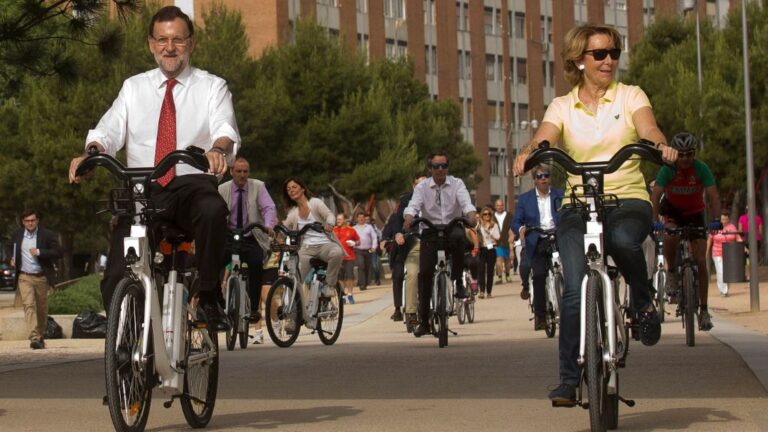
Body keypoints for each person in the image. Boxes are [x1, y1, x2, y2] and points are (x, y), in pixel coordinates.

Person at [512, 23, 677, 405]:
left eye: (614, 53)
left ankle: (641, 300)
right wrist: (531, 151)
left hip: (627, 198)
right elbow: (546, 135)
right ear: (579, 61)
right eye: (599, 54)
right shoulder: (562, 106)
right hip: (576, 204)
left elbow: (648, 126)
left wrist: (660, 144)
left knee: (621, 240)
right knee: (573, 287)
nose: (609, 61)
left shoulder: (629, 96)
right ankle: (569, 380)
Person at [68, 6, 238, 330]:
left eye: (177, 39)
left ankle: (208, 295)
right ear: (151, 44)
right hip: (143, 191)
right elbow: (108, 129)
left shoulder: (212, 86)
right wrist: (92, 153)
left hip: (191, 184)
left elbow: (225, 129)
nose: (169, 47)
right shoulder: (134, 88)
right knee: (118, 273)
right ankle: (129, 350)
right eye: (162, 40)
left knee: (213, 211)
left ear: (191, 43)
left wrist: (217, 149)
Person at [651, 132, 721, 331]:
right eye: (681, 155)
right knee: (670, 234)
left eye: (689, 154)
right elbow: (656, 197)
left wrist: (716, 220)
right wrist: (655, 221)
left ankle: (704, 310)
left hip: (695, 213)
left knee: (700, 259)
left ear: (694, 154)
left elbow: (713, 195)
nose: (684, 159)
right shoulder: (668, 169)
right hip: (673, 212)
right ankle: (672, 271)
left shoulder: (701, 169)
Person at [403, 151, 477, 338]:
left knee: (460, 238)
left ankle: (459, 281)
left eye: (444, 166)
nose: (441, 170)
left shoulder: (457, 183)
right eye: (436, 166)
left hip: (452, 227)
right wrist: (409, 218)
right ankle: (424, 321)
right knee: (425, 273)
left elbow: (465, 202)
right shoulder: (422, 188)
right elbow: (413, 206)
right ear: (430, 169)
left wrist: (471, 215)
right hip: (431, 229)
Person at [218, 156, 277, 328]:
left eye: (245, 171)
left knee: (255, 263)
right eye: (238, 171)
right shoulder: (222, 189)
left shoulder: (258, 186)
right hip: (229, 235)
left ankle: (253, 309)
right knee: (215, 262)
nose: (242, 175)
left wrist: (268, 225)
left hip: (251, 235)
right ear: (231, 172)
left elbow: (269, 207)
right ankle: (217, 302)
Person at [511, 164, 564, 330]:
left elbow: (570, 213)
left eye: (546, 176)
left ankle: (571, 312)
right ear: (534, 180)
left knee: (570, 272)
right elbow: (516, 221)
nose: (543, 179)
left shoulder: (561, 195)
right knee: (539, 275)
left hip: (558, 237)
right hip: (537, 239)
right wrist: (521, 230)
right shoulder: (525, 199)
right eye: (540, 176)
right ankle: (541, 315)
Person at [282, 177, 344, 305]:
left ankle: (329, 285)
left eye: (294, 187)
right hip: (306, 249)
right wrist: (276, 236)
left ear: (303, 189)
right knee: (294, 279)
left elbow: (330, 215)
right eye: (288, 189)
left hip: (325, 244)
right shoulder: (293, 212)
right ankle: (292, 312)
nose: (291, 191)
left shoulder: (315, 203)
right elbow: (284, 227)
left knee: (337, 253)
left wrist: (330, 224)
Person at [11, 210, 62, 350]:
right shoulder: (18, 234)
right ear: (23, 222)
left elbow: (58, 252)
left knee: (41, 309)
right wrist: (12, 259)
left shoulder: (47, 235)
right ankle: (34, 337)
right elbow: (13, 248)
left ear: (37, 220)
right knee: (29, 305)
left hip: (41, 277)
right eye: (27, 221)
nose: (30, 223)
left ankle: (40, 336)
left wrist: (40, 252)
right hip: (24, 276)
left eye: (33, 220)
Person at [707, 210, 741, 297]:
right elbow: (710, 240)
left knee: (727, 272)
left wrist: (743, 247)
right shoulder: (715, 227)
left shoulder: (732, 227)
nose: (724, 221)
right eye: (723, 219)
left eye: (726, 219)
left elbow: (737, 237)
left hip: (729, 253)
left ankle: (725, 288)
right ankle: (724, 290)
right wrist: (706, 252)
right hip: (717, 253)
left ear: (728, 219)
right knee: (720, 272)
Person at [334, 213, 360, 304]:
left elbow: (358, 241)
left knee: (349, 276)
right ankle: (342, 295)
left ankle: (350, 294)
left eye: (340, 219)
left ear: (345, 220)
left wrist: (354, 243)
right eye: (337, 219)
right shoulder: (334, 230)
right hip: (338, 258)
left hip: (349, 257)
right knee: (340, 277)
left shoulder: (351, 230)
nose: (338, 221)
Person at [476, 205, 500, 298]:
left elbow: (498, 237)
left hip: (491, 249)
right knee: (481, 270)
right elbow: (475, 233)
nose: (487, 216)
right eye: (485, 214)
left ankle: (489, 292)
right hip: (482, 248)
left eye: (489, 214)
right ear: (482, 215)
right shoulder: (479, 225)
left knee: (490, 271)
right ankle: (481, 291)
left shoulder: (494, 225)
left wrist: (489, 232)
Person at [353, 212, 377, 291]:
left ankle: (366, 282)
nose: (361, 219)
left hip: (368, 250)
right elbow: (350, 239)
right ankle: (362, 284)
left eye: (362, 217)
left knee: (367, 266)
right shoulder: (353, 228)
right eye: (359, 217)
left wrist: (374, 247)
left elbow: (374, 237)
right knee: (361, 265)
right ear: (357, 219)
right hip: (358, 250)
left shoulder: (369, 227)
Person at [738, 206, 763, 281]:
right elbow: (760, 231)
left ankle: (748, 275)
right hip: (756, 240)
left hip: (745, 241)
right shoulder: (758, 218)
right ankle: (754, 275)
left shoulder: (741, 218)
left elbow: (740, 230)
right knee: (754, 258)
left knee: (747, 259)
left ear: (745, 211)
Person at [492, 199, 514, 283]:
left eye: (501, 205)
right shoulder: (492, 216)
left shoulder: (509, 215)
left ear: (503, 206)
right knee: (498, 259)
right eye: (498, 205)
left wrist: (512, 237)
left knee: (507, 260)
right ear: (495, 206)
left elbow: (512, 226)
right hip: (497, 242)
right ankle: (499, 277)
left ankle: (507, 275)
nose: (499, 207)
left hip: (507, 240)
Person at [367, 214, 383, 285]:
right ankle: (371, 280)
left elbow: (380, 235)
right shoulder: (364, 227)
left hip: (375, 248)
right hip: (368, 248)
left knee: (375, 264)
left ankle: (377, 279)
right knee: (371, 265)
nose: (367, 221)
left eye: (368, 220)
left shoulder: (374, 228)